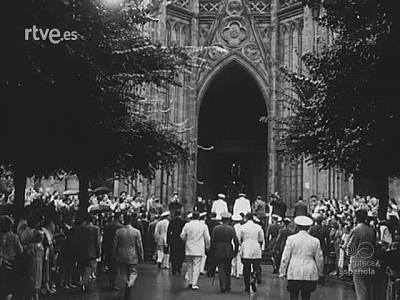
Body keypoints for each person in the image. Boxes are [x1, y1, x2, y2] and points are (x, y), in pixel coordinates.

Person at [279, 216, 324, 300]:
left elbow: (285, 257)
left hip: (294, 270)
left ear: (297, 226)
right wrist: (320, 272)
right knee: (306, 296)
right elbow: (319, 259)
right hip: (309, 271)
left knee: (293, 296)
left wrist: (282, 271)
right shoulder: (315, 241)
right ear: (309, 227)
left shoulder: (291, 239)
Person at [346, 209, 376, 300]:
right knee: (369, 287)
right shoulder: (371, 230)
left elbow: (351, 248)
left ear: (357, 218)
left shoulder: (356, 230)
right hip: (370, 260)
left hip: (358, 261)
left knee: (360, 289)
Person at [113, 214, 143, 299]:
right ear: (131, 221)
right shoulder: (136, 232)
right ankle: (130, 283)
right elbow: (139, 245)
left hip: (121, 255)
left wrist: (114, 254)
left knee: (123, 272)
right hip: (133, 255)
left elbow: (115, 245)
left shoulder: (118, 231)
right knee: (133, 272)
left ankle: (126, 283)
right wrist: (141, 255)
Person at [180, 211, 210, 290]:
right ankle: (194, 283)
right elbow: (207, 238)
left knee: (189, 265)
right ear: (199, 217)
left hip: (189, 248)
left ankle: (190, 281)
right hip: (199, 248)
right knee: (197, 266)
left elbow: (182, 236)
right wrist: (208, 246)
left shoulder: (187, 225)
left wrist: (186, 240)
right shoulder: (203, 226)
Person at [210, 212, 239, 293]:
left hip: (218, 249)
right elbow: (236, 241)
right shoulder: (231, 229)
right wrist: (235, 252)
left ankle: (222, 285)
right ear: (229, 220)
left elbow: (212, 240)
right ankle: (228, 285)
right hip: (228, 250)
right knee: (228, 269)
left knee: (221, 268)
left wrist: (212, 250)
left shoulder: (216, 228)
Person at [72, 213, 100, 292]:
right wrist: (98, 252)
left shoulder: (79, 228)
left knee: (81, 267)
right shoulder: (96, 229)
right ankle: (84, 282)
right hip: (91, 252)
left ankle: (82, 281)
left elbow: (77, 240)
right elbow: (97, 242)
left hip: (81, 251)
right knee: (89, 267)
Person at [0, 215, 23, 300]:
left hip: (1, 263)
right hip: (10, 264)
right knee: (8, 288)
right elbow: (20, 250)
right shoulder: (14, 237)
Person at [240, 213, 264, 293]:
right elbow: (261, 239)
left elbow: (239, 238)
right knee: (256, 267)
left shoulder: (242, 227)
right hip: (256, 247)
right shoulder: (258, 227)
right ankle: (254, 277)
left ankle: (247, 286)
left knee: (246, 268)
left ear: (246, 218)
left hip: (246, 248)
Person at [102, 213, 123, 289]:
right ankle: (114, 283)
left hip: (108, 248)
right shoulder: (121, 227)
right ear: (119, 218)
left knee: (110, 267)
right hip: (117, 249)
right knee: (116, 267)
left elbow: (105, 239)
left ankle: (111, 281)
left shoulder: (107, 226)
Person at [167, 210, 186, 275]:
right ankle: (179, 267)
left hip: (173, 240)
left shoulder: (172, 222)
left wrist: (168, 241)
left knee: (173, 255)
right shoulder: (183, 221)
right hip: (180, 241)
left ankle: (174, 268)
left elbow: (168, 232)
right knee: (180, 255)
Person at [231, 214, 243, 279]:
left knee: (233, 259)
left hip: (233, 244)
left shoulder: (232, 227)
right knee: (239, 259)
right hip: (240, 244)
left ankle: (233, 272)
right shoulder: (242, 227)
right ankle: (238, 273)